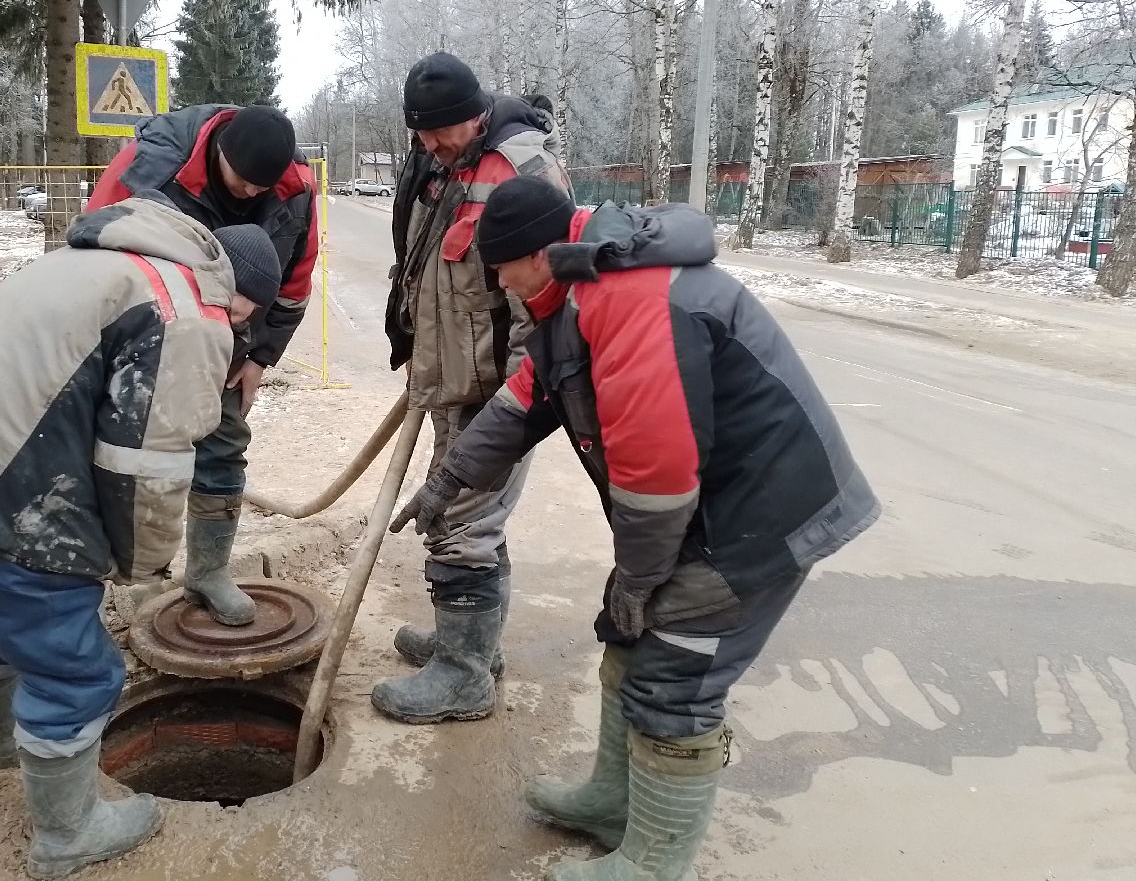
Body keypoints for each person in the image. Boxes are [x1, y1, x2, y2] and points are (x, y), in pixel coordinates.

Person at [391, 177, 880, 880]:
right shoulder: (579, 286)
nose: (496, 283)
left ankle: (651, 865)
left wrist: (641, 578)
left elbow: (657, 475)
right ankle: (613, 803)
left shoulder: (628, 300)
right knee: (628, 642)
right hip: (713, 506)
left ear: (537, 253)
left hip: (759, 519)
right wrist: (449, 481)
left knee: (675, 678)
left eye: (499, 267)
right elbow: (526, 400)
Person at [0, 198, 283, 879]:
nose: (240, 332)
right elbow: (146, 464)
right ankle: (67, 835)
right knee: (77, 669)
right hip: (9, 499)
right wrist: (143, 564)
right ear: (239, 299)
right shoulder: (189, 312)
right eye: (247, 318)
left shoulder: (103, 260)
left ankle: (6, 748)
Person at [374, 53, 572, 724]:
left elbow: (543, 316)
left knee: (459, 521)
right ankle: (472, 647)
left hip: (499, 396)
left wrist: (508, 414)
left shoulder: (521, 172)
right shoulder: (440, 162)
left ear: (478, 112)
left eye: (441, 132)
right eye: (420, 134)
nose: (428, 145)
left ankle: (461, 675)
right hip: (449, 383)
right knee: (477, 524)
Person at [85, 104, 318, 627]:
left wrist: (261, 355)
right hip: (145, 335)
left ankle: (208, 571)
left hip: (230, 340)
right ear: (219, 154)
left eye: (265, 186)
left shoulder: (296, 187)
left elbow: (296, 280)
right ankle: (128, 575)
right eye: (243, 183)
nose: (253, 194)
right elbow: (91, 255)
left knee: (224, 440)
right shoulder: (147, 168)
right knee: (127, 450)